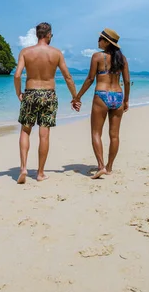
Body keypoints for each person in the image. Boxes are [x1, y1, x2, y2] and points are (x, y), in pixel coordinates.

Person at [14, 22, 79, 184]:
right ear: (49, 35)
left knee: (25, 131)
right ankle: (40, 173)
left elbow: (17, 75)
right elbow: (68, 77)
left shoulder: (26, 52)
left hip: (30, 93)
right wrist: (75, 97)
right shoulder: (56, 53)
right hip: (49, 95)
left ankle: (23, 168)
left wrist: (19, 93)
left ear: (37, 35)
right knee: (44, 134)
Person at [73, 28, 130, 179]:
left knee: (96, 132)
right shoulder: (122, 59)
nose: (98, 41)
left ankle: (101, 166)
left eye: (100, 39)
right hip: (117, 96)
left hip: (101, 95)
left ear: (106, 42)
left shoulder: (97, 57)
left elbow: (90, 79)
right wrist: (126, 100)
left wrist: (78, 97)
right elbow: (127, 81)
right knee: (114, 135)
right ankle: (109, 167)